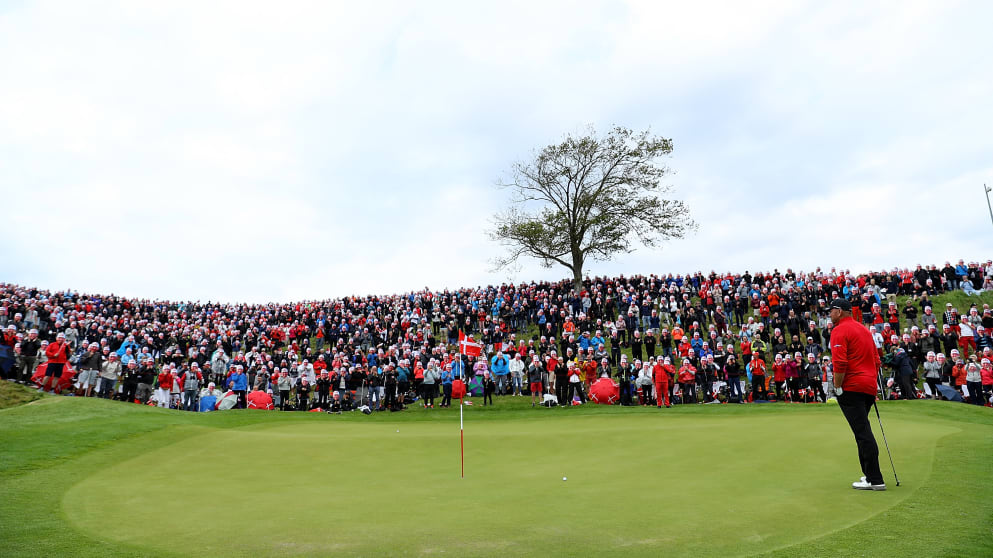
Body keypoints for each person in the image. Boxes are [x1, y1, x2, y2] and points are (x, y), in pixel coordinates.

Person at [828, 298, 886, 491]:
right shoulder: (864, 330)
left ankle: (875, 479)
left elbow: (840, 363)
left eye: (831, 310)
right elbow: (877, 361)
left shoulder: (839, 330)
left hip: (851, 387)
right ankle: (870, 476)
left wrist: (837, 387)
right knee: (862, 430)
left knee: (862, 432)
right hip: (868, 386)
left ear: (840, 311)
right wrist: (870, 381)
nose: (829, 313)